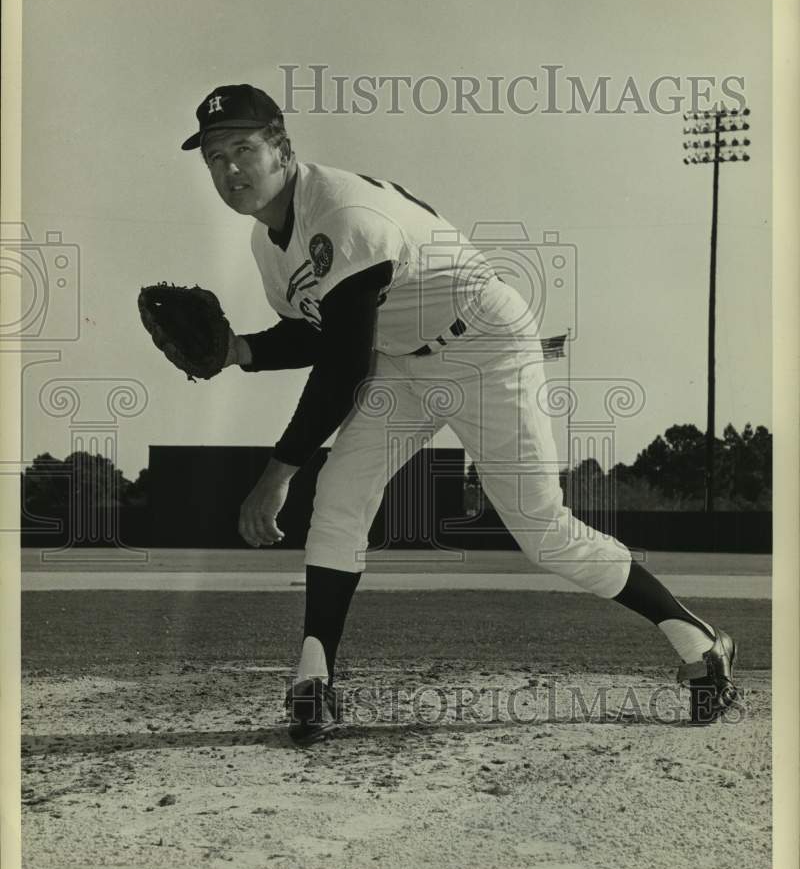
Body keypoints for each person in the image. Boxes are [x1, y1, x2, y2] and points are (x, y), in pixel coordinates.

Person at [181, 83, 739, 745]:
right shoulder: (266, 246)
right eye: (215, 156)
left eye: (244, 148)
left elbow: (342, 365)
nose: (230, 169)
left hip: (483, 345)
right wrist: (241, 350)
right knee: (339, 496)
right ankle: (314, 676)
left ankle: (699, 645)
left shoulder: (340, 211)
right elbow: (319, 332)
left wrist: (276, 473)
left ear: (283, 149)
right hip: (403, 361)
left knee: (542, 532)